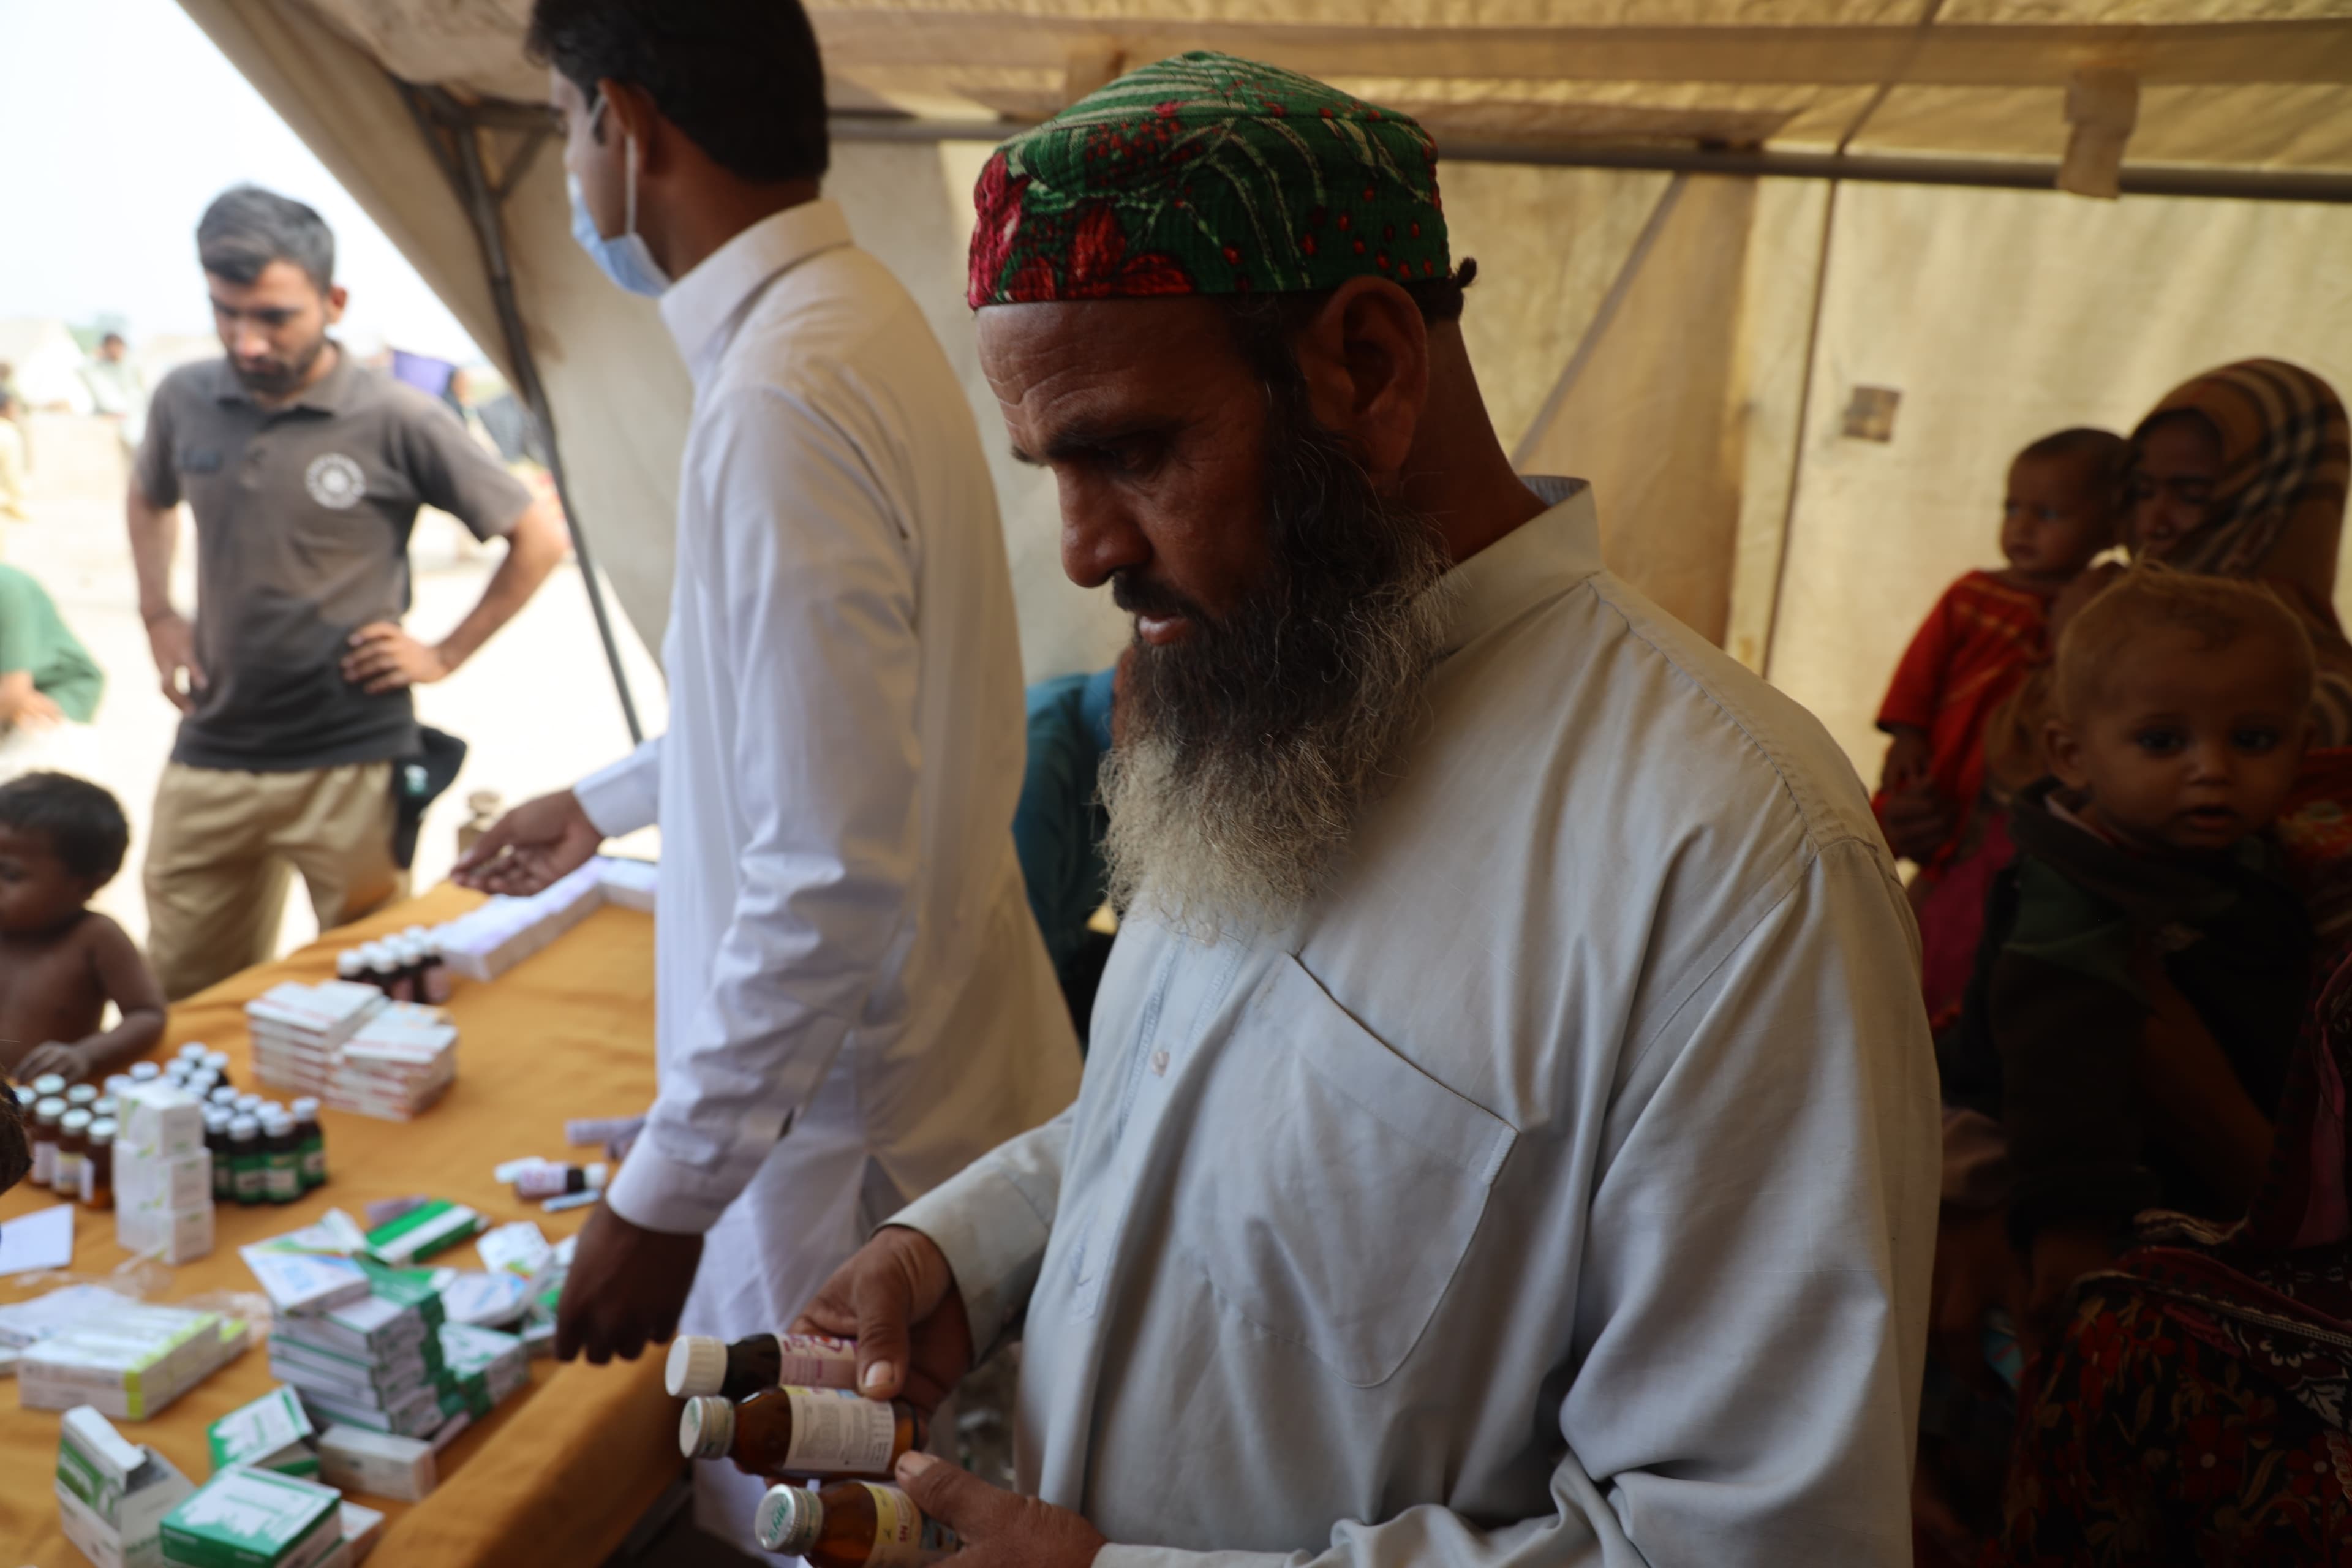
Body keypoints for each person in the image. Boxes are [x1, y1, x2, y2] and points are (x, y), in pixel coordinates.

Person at [795, 53, 1940, 1568]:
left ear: (1370, 366)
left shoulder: (1735, 860)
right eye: (1050, 467)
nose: (1079, 550)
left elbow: (1746, 1544)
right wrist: (961, 1247)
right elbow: (1203, 1119)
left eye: (1130, 451)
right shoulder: (1261, 696)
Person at [454, 0, 1080, 1548]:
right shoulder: (847, 325)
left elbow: (826, 869)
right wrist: (600, 802)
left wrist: (661, 1195)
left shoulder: (785, 390)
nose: (573, 170)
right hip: (907, 1077)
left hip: (852, 1134)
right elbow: (816, 722)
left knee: (833, 1515)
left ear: (626, 125)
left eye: (567, 127)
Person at [129, 186, 568, 1000]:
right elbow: (148, 494)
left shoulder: (399, 416)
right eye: (226, 313)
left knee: (370, 987)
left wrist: (444, 653)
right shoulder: (184, 398)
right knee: (187, 991)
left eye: (274, 317)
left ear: (334, 302)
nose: (247, 340)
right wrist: (158, 612)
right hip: (214, 745)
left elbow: (537, 537)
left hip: (353, 754)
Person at [1874, 430, 2125, 1030]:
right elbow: (1920, 673)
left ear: (2111, 526)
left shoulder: (2105, 609)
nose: (2022, 528)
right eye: (2013, 508)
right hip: (1950, 775)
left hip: (2007, 809)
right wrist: (1907, 735)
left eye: (2049, 514)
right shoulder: (1972, 595)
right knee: (1920, 888)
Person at [2127, 358, 2352, 742]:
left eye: (2193, 496)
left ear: (2271, 500)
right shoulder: (2097, 605)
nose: (2152, 523)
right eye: (2143, 492)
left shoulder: (2324, 693)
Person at [0, 772, 165, 1085]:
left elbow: (147, 1014)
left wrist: (84, 1054)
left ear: (87, 885)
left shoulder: (96, 938)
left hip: (48, 1098)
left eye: (10, 875)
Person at [1012, 662, 1118, 1042]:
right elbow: (1026, 970)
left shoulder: (1119, 735)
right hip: (1019, 972)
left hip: (1064, 945)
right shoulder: (1037, 766)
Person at [0, 563, 105, 782]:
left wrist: (13, 698)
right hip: (16, 705)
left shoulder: (6, 585)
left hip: (47, 711)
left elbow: (10, 696)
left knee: (28, 791)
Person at [79, 331, 147, 456]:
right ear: (104, 349)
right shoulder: (98, 367)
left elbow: (140, 393)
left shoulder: (132, 366)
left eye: (118, 346)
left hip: (132, 413)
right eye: (111, 346)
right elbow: (82, 370)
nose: (115, 350)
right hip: (108, 413)